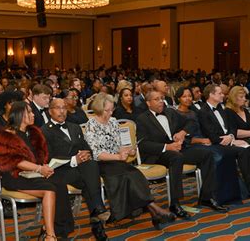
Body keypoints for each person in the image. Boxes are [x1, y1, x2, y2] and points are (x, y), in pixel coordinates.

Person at [84, 93, 176, 229]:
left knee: (134, 174)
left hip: (116, 161)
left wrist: (127, 150)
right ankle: (156, 210)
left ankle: (155, 213)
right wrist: (118, 157)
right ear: (98, 109)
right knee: (126, 174)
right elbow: (96, 153)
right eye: (107, 110)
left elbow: (119, 144)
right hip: (101, 163)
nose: (110, 113)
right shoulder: (91, 124)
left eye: (111, 110)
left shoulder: (113, 121)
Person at [0, 101, 74, 239]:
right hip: (14, 176)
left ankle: (57, 229)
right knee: (49, 188)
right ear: (20, 115)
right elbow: (15, 161)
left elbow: (39, 158)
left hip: (33, 174)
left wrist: (45, 167)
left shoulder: (33, 133)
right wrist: (40, 169)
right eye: (29, 112)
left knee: (59, 182)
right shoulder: (6, 135)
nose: (33, 114)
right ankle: (50, 235)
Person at [136, 90, 226, 219]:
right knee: (176, 157)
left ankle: (207, 196)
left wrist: (183, 132)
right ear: (148, 103)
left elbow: (192, 123)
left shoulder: (170, 112)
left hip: (178, 149)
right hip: (158, 154)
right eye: (156, 99)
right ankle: (175, 203)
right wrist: (167, 147)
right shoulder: (142, 119)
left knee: (206, 154)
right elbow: (143, 144)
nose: (161, 101)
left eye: (161, 98)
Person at [42, 98, 109, 240]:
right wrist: (74, 160)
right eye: (57, 108)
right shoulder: (44, 131)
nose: (61, 111)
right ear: (50, 111)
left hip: (80, 169)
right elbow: (49, 158)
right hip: (60, 171)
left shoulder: (74, 127)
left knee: (90, 165)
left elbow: (86, 147)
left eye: (64, 108)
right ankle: (97, 214)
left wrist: (85, 154)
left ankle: (96, 211)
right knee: (89, 178)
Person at [174, 87, 241, 205]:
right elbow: (183, 139)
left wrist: (208, 140)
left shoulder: (195, 112)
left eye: (190, 96)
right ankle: (211, 196)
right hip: (187, 147)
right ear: (178, 98)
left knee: (226, 153)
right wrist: (202, 140)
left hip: (204, 143)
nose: (188, 98)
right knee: (215, 155)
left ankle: (227, 194)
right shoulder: (174, 114)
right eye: (184, 96)